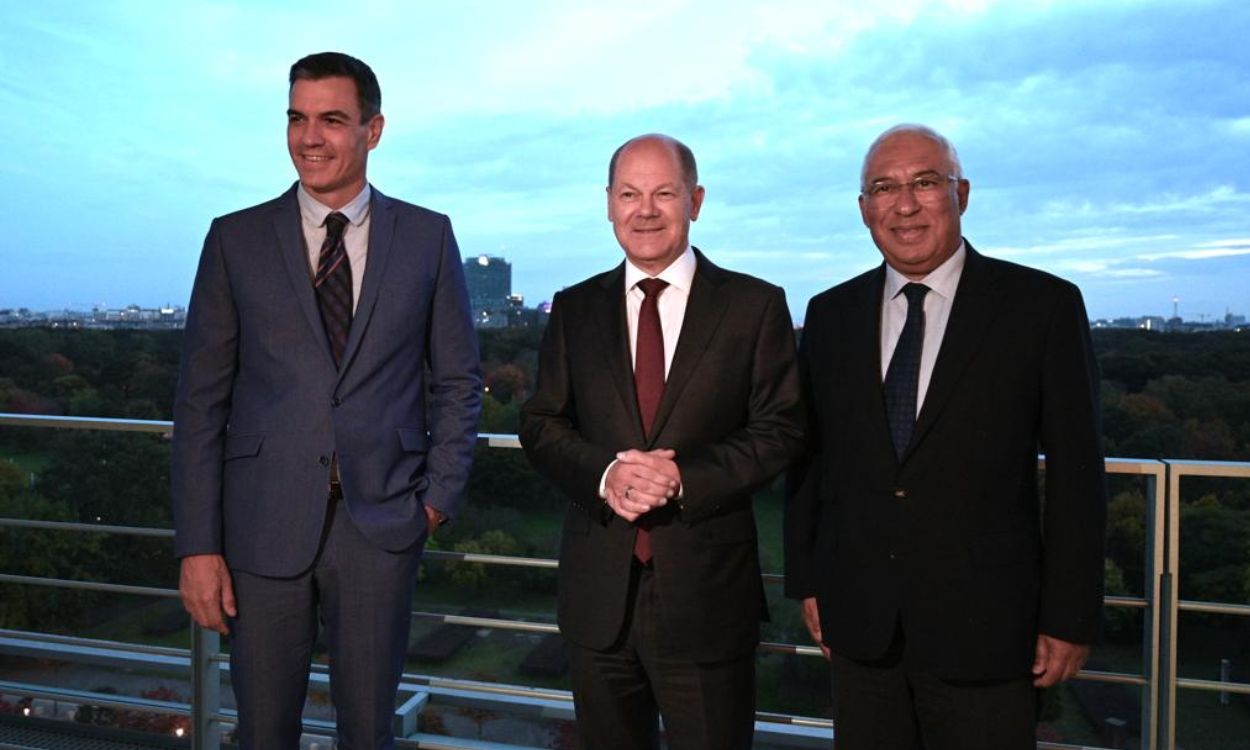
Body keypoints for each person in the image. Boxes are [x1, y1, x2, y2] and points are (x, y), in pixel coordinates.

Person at [171, 51, 482, 749]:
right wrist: (197, 545)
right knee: (263, 731)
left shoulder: (427, 237)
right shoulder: (234, 239)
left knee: (369, 732)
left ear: (374, 131)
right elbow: (199, 402)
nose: (309, 137)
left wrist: (434, 500)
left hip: (383, 524)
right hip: (259, 525)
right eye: (297, 118)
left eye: (332, 120)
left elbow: (458, 382)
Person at [784, 124, 1107, 750]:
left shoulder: (1041, 306)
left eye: (925, 183)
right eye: (884, 188)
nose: (904, 205)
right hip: (861, 624)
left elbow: (1077, 475)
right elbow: (810, 459)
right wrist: (810, 580)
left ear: (961, 192)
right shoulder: (831, 314)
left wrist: (1069, 617)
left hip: (987, 629)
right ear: (864, 210)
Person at [520, 134, 805, 749]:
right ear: (608, 204)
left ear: (695, 200)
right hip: (599, 599)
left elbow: (781, 429)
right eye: (629, 194)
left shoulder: (754, 306)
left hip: (708, 595)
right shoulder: (573, 309)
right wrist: (606, 475)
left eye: (663, 193)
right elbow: (541, 423)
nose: (644, 210)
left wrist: (683, 478)